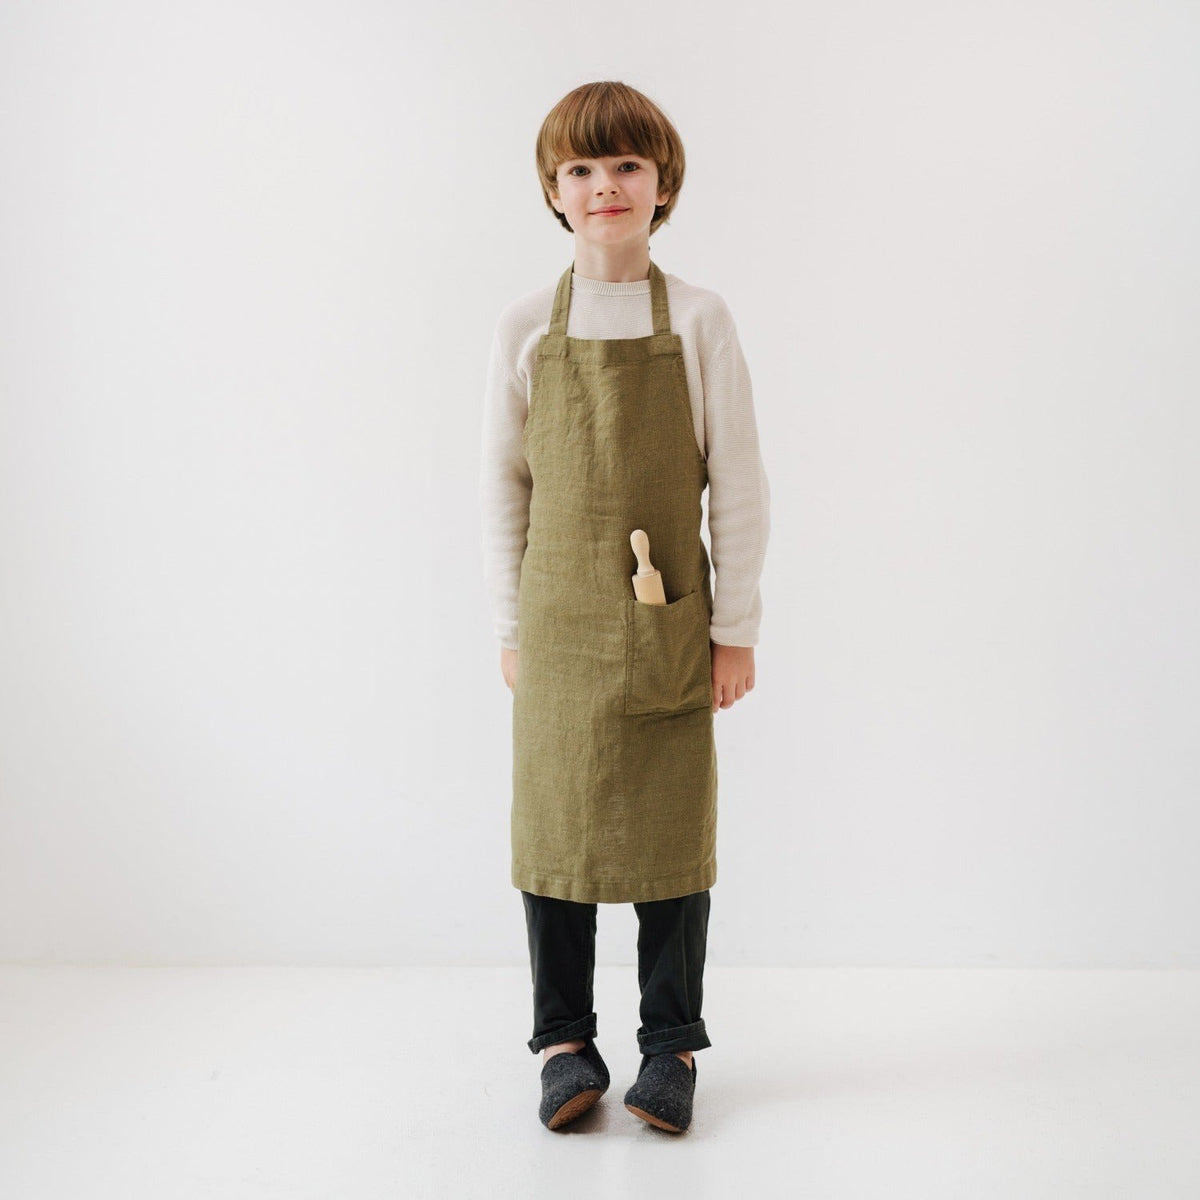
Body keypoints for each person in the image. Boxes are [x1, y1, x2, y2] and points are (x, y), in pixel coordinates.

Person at [478, 80, 771, 1133]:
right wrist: (514, 628)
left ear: (663, 186)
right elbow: (502, 486)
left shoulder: (698, 318)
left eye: (628, 167)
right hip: (556, 630)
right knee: (553, 834)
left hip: (666, 624)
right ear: (556, 193)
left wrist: (732, 628)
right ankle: (562, 1041)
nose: (607, 186)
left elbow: (736, 480)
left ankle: (671, 1048)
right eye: (583, 170)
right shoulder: (522, 323)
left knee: (668, 840)